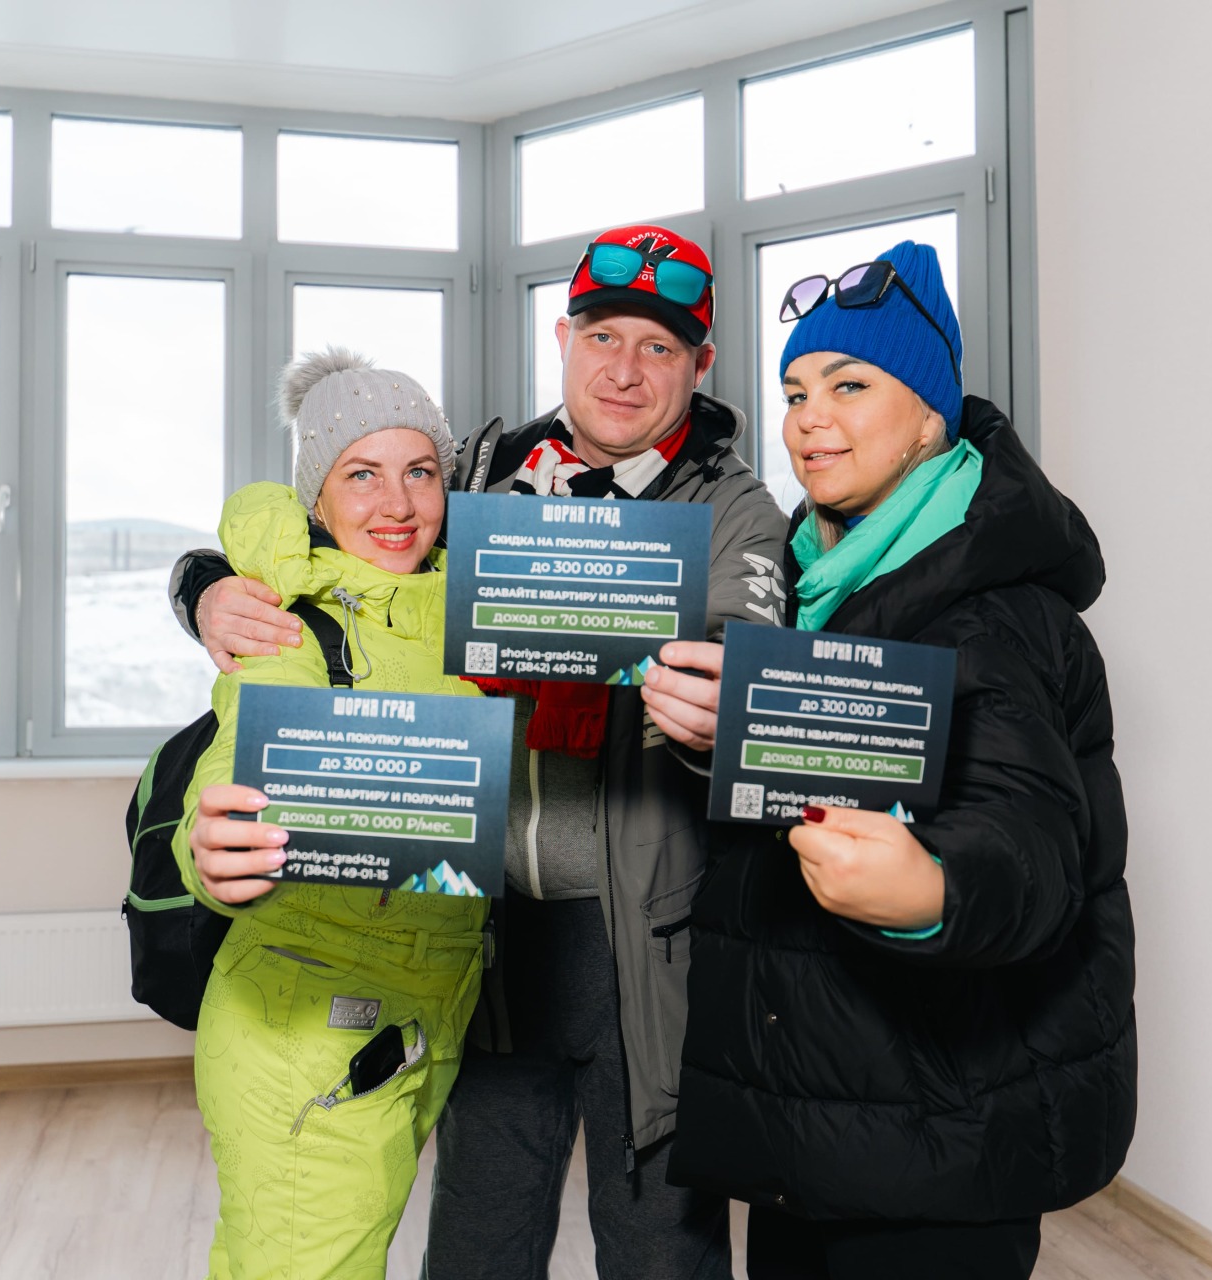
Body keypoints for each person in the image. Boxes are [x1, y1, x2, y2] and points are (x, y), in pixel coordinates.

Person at [170, 225, 788, 1279]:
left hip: (645, 947)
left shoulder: (731, 507)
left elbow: (750, 663)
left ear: (701, 364)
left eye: (659, 346)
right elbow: (346, 537)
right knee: (477, 1246)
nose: (624, 370)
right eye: (603, 336)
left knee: (660, 1251)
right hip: (482, 937)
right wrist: (203, 588)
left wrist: (725, 699)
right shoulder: (485, 475)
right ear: (563, 340)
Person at [643, 240, 1136, 1278]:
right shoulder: (802, 583)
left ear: (929, 416)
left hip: (938, 1135)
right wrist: (715, 740)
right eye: (795, 392)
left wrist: (930, 889)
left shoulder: (995, 610)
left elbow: (1034, 845)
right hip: (816, 1118)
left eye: (850, 385)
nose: (808, 418)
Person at [173, 349, 487, 1280]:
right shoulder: (291, 619)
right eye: (361, 474)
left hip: (423, 1011)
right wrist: (213, 847)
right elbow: (238, 755)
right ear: (317, 497)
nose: (397, 504)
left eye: (419, 471)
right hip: (306, 1024)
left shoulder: (471, 610)